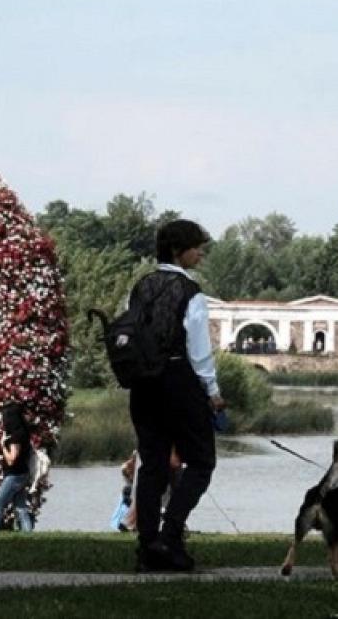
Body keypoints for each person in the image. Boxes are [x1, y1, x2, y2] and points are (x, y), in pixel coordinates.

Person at [128, 219, 224, 572]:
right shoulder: (190, 291)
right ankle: (171, 537)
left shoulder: (140, 287)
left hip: (143, 384)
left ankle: (147, 545)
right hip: (178, 380)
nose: (200, 253)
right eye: (196, 247)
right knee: (201, 462)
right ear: (177, 250)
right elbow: (199, 350)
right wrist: (212, 392)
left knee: (152, 466)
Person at [0, 403, 33, 531]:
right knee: (21, 508)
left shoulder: (15, 437)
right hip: (23, 474)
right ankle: (28, 535)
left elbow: (12, 459)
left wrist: (3, 446)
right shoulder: (24, 433)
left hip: (13, 475)